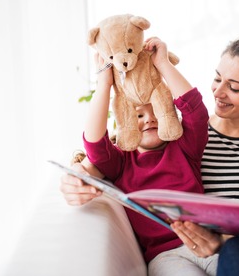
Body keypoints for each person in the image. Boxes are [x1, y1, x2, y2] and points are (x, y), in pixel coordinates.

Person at [60, 34, 239, 276]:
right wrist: (78, 176)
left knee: (238, 248)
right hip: (195, 254)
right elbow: (106, 157)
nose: (218, 92)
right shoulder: (179, 136)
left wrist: (218, 241)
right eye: (218, 78)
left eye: (235, 88)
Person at [79, 37, 210, 268]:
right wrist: (104, 84)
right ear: (125, 120)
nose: (149, 118)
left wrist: (163, 65)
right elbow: (94, 144)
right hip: (167, 257)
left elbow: (196, 113)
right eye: (138, 115)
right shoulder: (121, 162)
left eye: (157, 111)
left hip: (209, 245)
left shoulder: (184, 147)